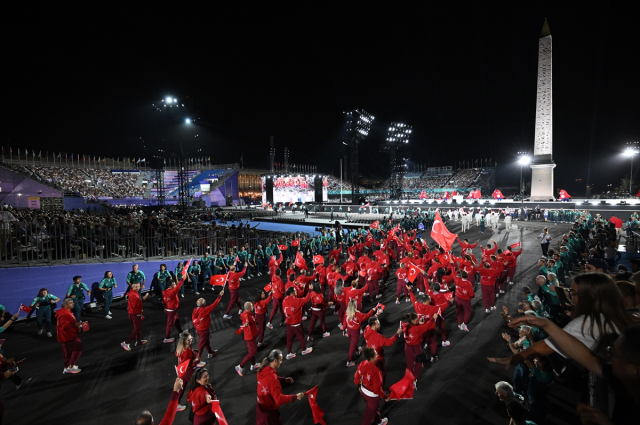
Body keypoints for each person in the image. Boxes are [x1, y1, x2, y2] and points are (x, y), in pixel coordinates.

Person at [499, 316, 640, 425]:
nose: (608, 357)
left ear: (635, 370)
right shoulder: (620, 379)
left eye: (614, 354)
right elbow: (585, 356)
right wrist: (547, 324)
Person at [256, 349, 305, 425]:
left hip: (260, 409)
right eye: (280, 360)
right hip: (270, 414)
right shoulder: (273, 378)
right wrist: (296, 396)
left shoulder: (262, 370)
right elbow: (279, 399)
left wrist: (284, 380)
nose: (281, 362)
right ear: (275, 360)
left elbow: (268, 380)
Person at [354, 347, 390, 425]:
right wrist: (385, 397)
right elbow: (377, 389)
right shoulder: (377, 372)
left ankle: (379, 421)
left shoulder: (362, 363)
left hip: (364, 392)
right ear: (371, 358)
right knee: (368, 419)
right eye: (375, 354)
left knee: (375, 409)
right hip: (373, 397)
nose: (377, 355)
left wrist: (359, 387)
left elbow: (356, 377)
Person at [402, 311, 437, 389]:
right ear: (412, 320)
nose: (417, 319)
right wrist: (433, 318)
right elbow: (427, 326)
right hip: (416, 348)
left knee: (410, 365)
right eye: (415, 319)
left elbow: (413, 327)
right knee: (420, 365)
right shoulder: (417, 329)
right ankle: (413, 380)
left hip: (407, 347)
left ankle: (408, 380)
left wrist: (418, 324)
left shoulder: (405, 326)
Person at [364, 316, 402, 383]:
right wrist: (397, 333)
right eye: (378, 324)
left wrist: (376, 315)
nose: (380, 325)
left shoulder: (367, 329)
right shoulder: (377, 337)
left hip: (370, 356)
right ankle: (381, 390)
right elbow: (389, 342)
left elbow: (370, 321)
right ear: (373, 326)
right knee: (381, 374)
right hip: (378, 358)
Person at [343, 300, 379, 367]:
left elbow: (344, 321)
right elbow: (367, 315)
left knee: (353, 343)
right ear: (355, 306)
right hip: (355, 332)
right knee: (352, 347)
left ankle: (357, 350)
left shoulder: (346, 312)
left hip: (349, 330)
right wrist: (372, 310)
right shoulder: (358, 314)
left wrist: (343, 329)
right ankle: (349, 361)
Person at [282, 286, 313, 359]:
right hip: (296, 323)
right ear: (292, 293)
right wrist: (310, 290)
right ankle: (304, 350)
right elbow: (305, 300)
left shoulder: (284, 300)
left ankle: (289, 353)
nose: (296, 292)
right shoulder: (296, 301)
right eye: (295, 291)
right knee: (301, 336)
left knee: (289, 339)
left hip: (289, 323)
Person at [192, 291, 225, 359]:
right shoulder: (205, 310)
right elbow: (214, 304)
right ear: (203, 304)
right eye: (204, 302)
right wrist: (220, 296)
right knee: (201, 345)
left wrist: (196, 327)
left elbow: (193, 320)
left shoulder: (195, 310)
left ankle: (210, 353)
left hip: (199, 329)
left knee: (206, 341)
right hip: (204, 330)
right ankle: (196, 360)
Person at [175, 331, 201, 411]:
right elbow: (189, 363)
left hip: (182, 370)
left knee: (181, 388)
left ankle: (176, 404)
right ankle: (199, 401)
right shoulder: (187, 350)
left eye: (191, 339)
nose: (191, 341)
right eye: (189, 340)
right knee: (197, 385)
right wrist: (196, 359)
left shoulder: (181, 348)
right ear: (184, 341)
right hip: (188, 371)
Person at [56, 298, 83, 374]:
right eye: (71, 303)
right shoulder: (65, 314)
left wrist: (76, 328)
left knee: (67, 352)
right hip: (69, 336)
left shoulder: (64, 312)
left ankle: (66, 367)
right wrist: (76, 325)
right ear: (66, 305)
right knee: (78, 348)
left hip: (65, 336)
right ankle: (70, 367)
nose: (73, 304)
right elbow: (65, 326)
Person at [121, 282, 149, 351]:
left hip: (133, 313)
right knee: (137, 329)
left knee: (138, 328)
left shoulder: (133, 293)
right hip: (134, 314)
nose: (137, 288)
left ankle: (138, 341)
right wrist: (143, 299)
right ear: (132, 287)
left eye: (138, 286)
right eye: (136, 287)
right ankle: (126, 342)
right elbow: (134, 305)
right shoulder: (134, 294)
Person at [236, 302, 259, 376]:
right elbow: (247, 321)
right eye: (252, 306)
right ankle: (240, 366)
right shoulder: (246, 315)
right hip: (250, 337)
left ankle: (253, 364)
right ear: (248, 308)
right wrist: (246, 324)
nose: (253, 307)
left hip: (252, 336)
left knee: (253, 351)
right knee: (252, 353)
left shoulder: (246, 313)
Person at [162, 274, 186, 343]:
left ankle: (181, 332)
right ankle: (166, 338)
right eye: (174, 284)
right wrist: (182, 279)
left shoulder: (166, 291)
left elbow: (164, 301)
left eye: (175, 284)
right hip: (172, 310)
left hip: (171, 309)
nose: (175, 285)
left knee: (176, 320)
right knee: (169, 325)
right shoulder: (172, 292)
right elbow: (178, 287)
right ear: (170, 286)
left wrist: (165, 307)